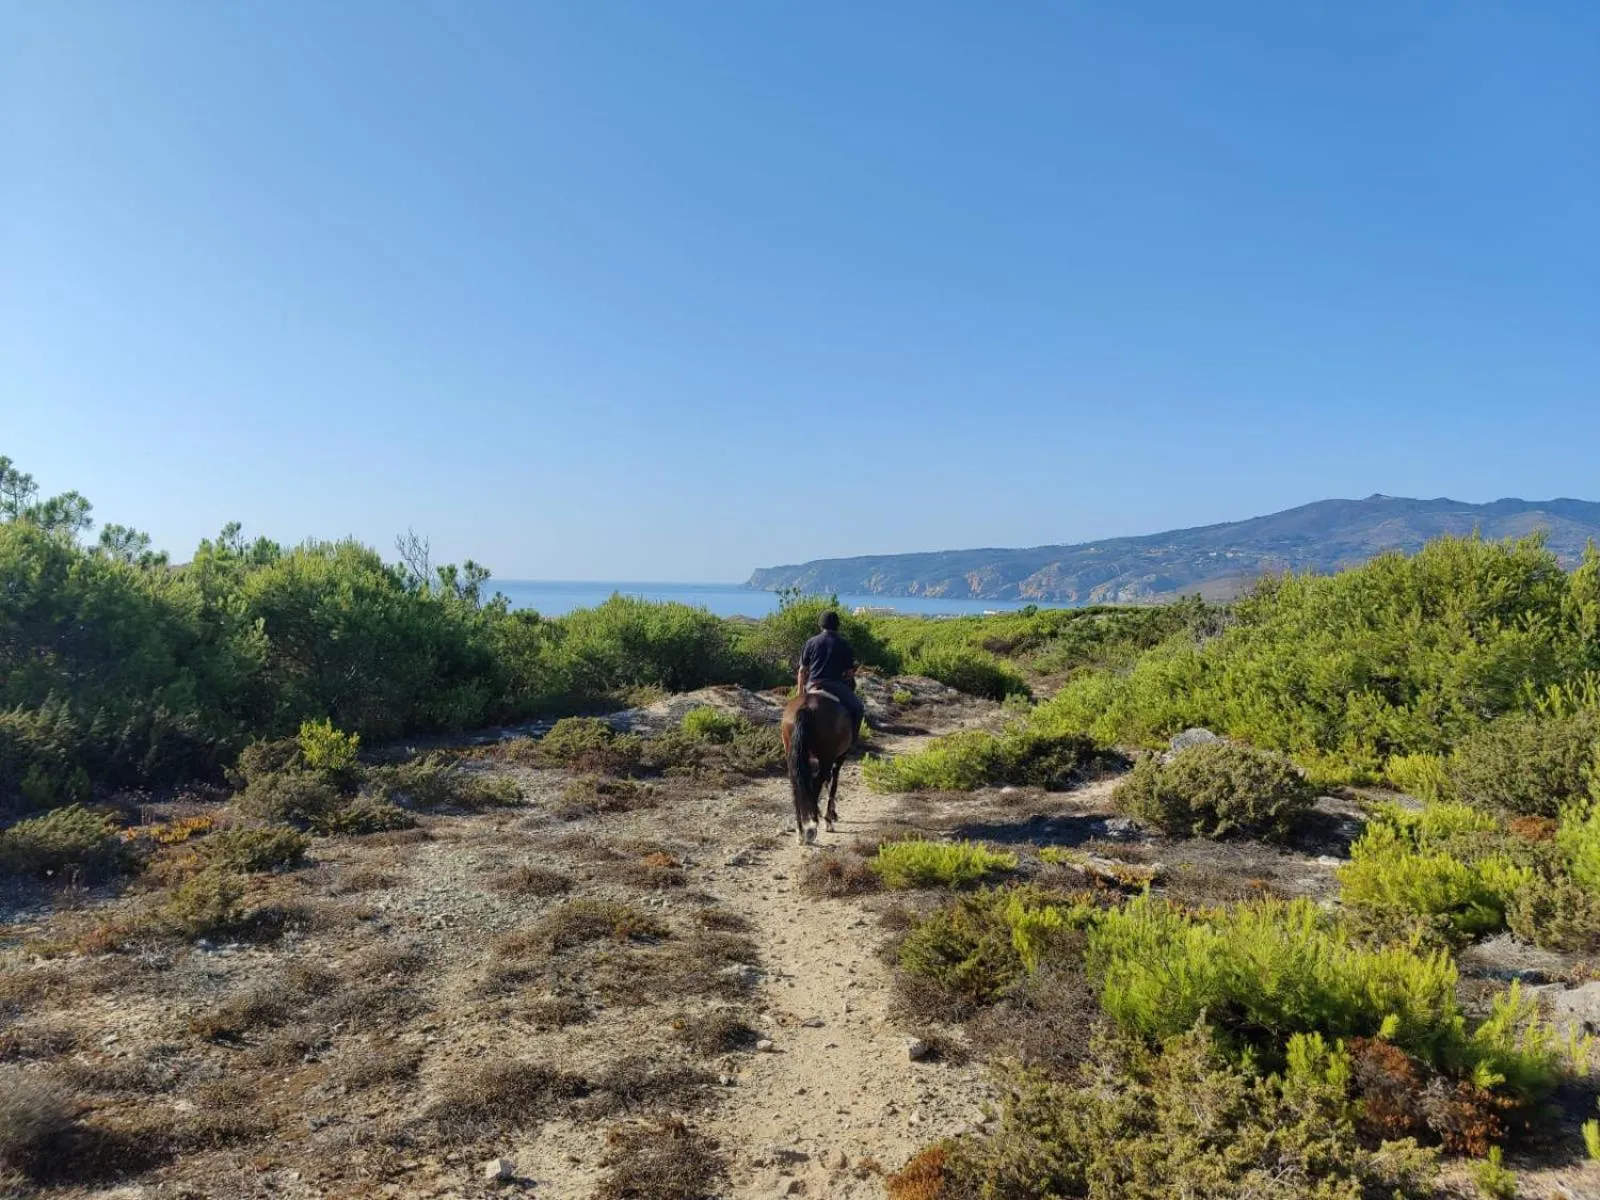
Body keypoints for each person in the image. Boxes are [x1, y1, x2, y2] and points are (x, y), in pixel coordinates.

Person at [797, 610, 864, 744]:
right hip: (836, 686)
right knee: (858, 708)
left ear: (820, 625)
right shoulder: (844, 644)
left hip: (813, 684)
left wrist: (799, 693)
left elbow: (802, 670)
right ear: (837, 625)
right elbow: (849, 673)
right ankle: (853, 741)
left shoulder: (811, 642)